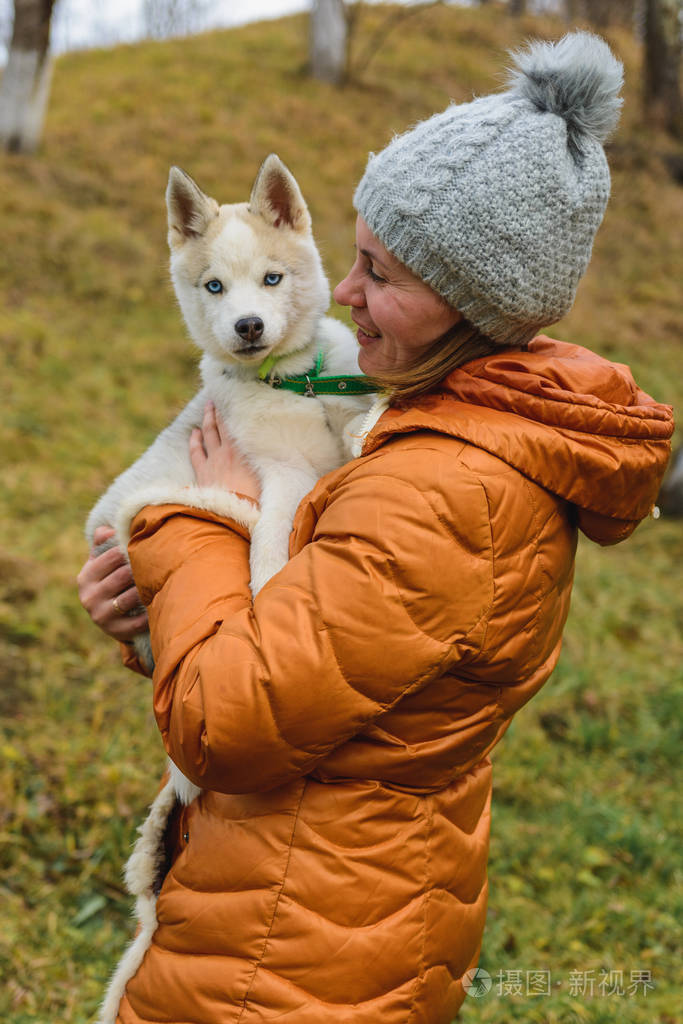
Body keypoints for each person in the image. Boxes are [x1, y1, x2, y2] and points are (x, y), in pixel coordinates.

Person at [78, 32, 673, 1024]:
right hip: (330, 904)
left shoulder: (441, 491)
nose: (344, 295)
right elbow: (322, 647)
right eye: (349, 258)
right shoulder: (431, 419)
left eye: (380, 273)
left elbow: (230, 716)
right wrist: (153, 610)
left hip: (293, 951)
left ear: (471, 302)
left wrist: (192, 526)